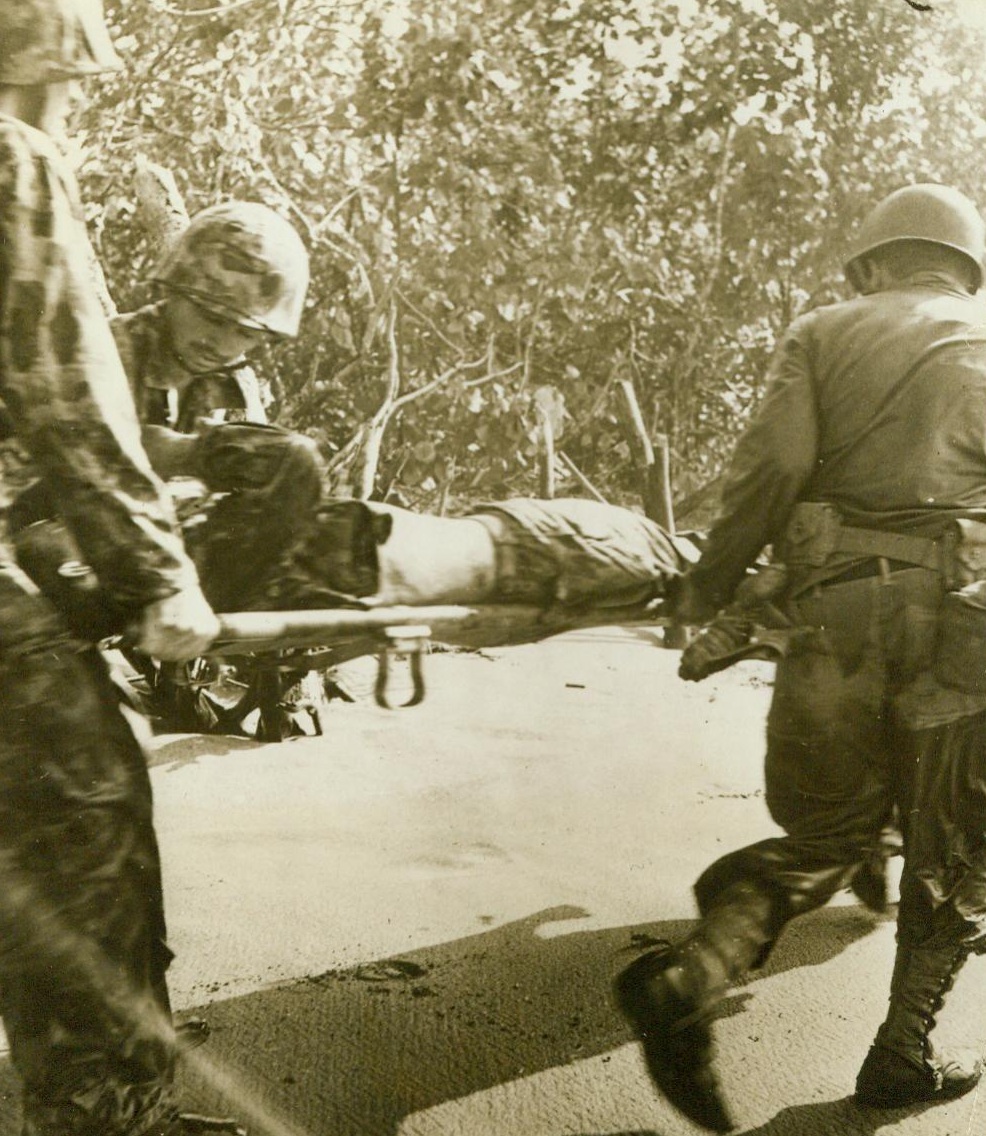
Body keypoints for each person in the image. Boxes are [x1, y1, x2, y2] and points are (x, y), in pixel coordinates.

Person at [613, 183, 986, 1132]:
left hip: (835, 618)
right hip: (963, 636)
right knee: (958, 852)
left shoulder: (822, 332)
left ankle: (691, 977)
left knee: (824, 835)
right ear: (966, 267)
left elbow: (769, 471)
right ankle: (902, 1053)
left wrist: (712, 586)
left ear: (872, 264)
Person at [0, 3, 242, 1133]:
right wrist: (157, 576)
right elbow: (68, 388)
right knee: (81, 803)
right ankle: (107, 1114)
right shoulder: (13, 154)